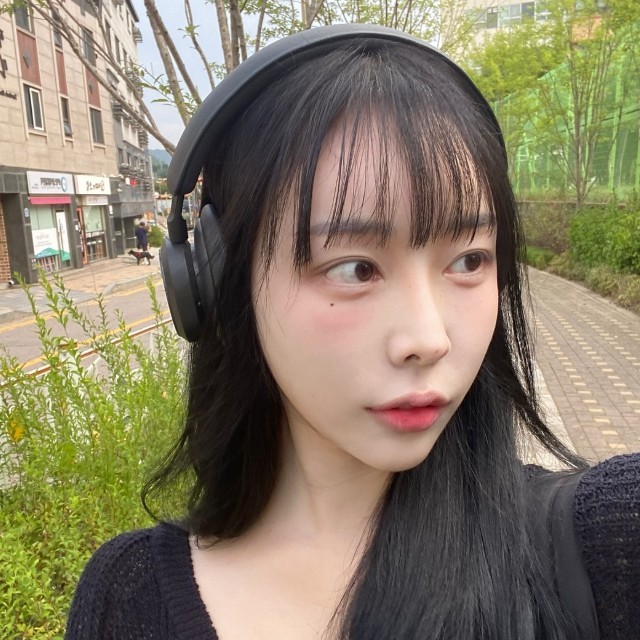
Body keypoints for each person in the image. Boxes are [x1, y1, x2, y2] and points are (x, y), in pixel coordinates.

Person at [65, 25, 639, 639]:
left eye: (470, 260)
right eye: (355, 269)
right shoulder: (127, 601)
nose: (429, 339)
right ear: (218, 283)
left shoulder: (603, 543)